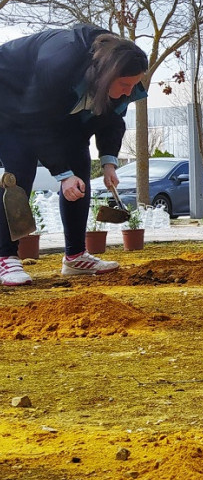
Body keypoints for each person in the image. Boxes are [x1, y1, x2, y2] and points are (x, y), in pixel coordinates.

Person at [0, 24, 148, 286]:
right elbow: (34, 118)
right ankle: (5, 257)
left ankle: (75, 256)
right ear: (106, 75)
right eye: (125, 84)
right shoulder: (60, 59)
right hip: (11, 99)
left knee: (79, 167)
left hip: (53, 108)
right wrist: (61, 173)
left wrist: (109, 162)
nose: (129, 91)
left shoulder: (118, 72)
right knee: (19, 172)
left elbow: (112, 119)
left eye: (133, 85)